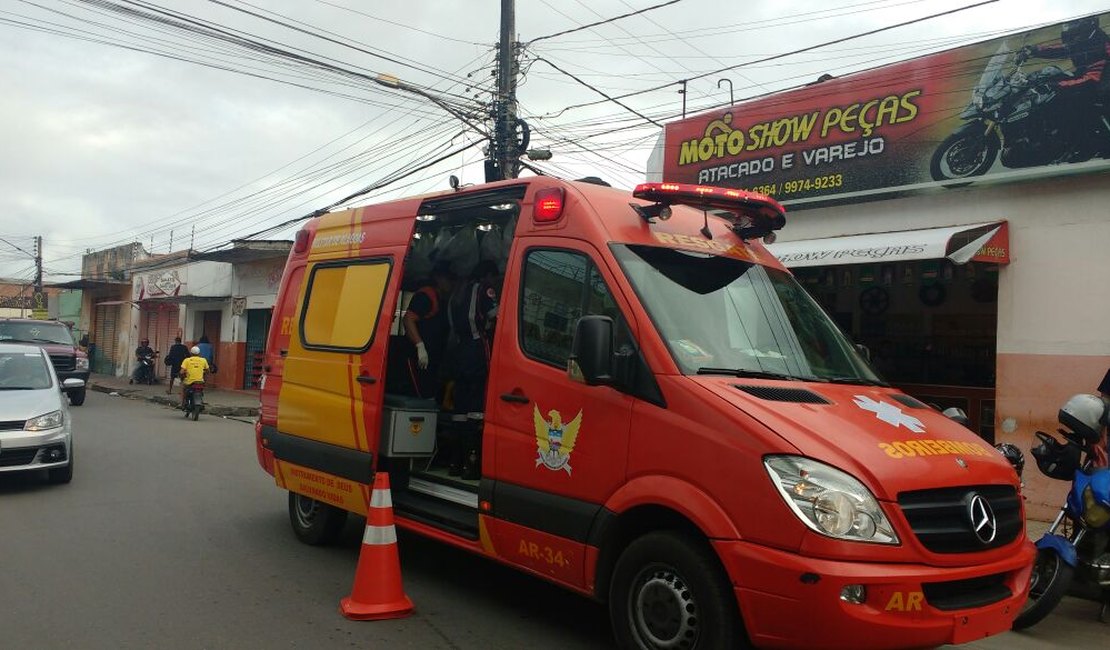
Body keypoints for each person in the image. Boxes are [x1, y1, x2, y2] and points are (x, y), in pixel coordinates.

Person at [445, 260, 501, 478]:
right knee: (477, 408)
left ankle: (454, 462)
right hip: (478, 349)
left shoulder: (458, 292)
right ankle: (471, 464)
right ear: (488, 274)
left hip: (458, 351)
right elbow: (496, 316)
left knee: (460, 409)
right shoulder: (483, 290)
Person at [1022, 17, 1110, 153]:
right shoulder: (1083, 41)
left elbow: (1091, 80)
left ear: (1087, 26)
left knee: (1065, 102)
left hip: (1101, 86)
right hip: (1090, 80)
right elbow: (1061, 49)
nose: (1070, 34)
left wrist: (1057, 85)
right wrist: (1033, 50)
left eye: (1074, 26)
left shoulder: (1101, 44)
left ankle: (1083, 145)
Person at [402, 261, 455, 399]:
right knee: (421, 395)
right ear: (438, 278)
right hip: (418, 359)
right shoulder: (426, 295)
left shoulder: (443, 299)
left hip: (433, 359)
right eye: (447, 278)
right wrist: (420, 346)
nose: (450, 283)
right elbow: (408, 319)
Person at [178, 345, 210, 410]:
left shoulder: (187, 360)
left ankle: (183, 403)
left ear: (191, 353)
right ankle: (201, 401)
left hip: (189, 382)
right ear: (199, 353)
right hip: (200, 381)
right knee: (201, 391)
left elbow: (181, 372)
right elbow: (208, 370)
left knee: (183, 387)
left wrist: (181, 375)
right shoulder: (203, 360)